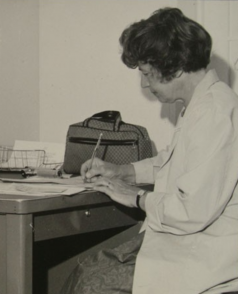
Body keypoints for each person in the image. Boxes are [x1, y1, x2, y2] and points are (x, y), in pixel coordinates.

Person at [60, 8, 238, 294]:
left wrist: (137, 197)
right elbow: (174, 162)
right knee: (87, 270)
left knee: (88, 281)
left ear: (176, 69)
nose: (144, 84)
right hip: (191, 244)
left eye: (146, 73)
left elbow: (190, 212)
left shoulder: (215, 114)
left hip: (208, 257)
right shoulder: (204, 104)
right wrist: (122, 171)